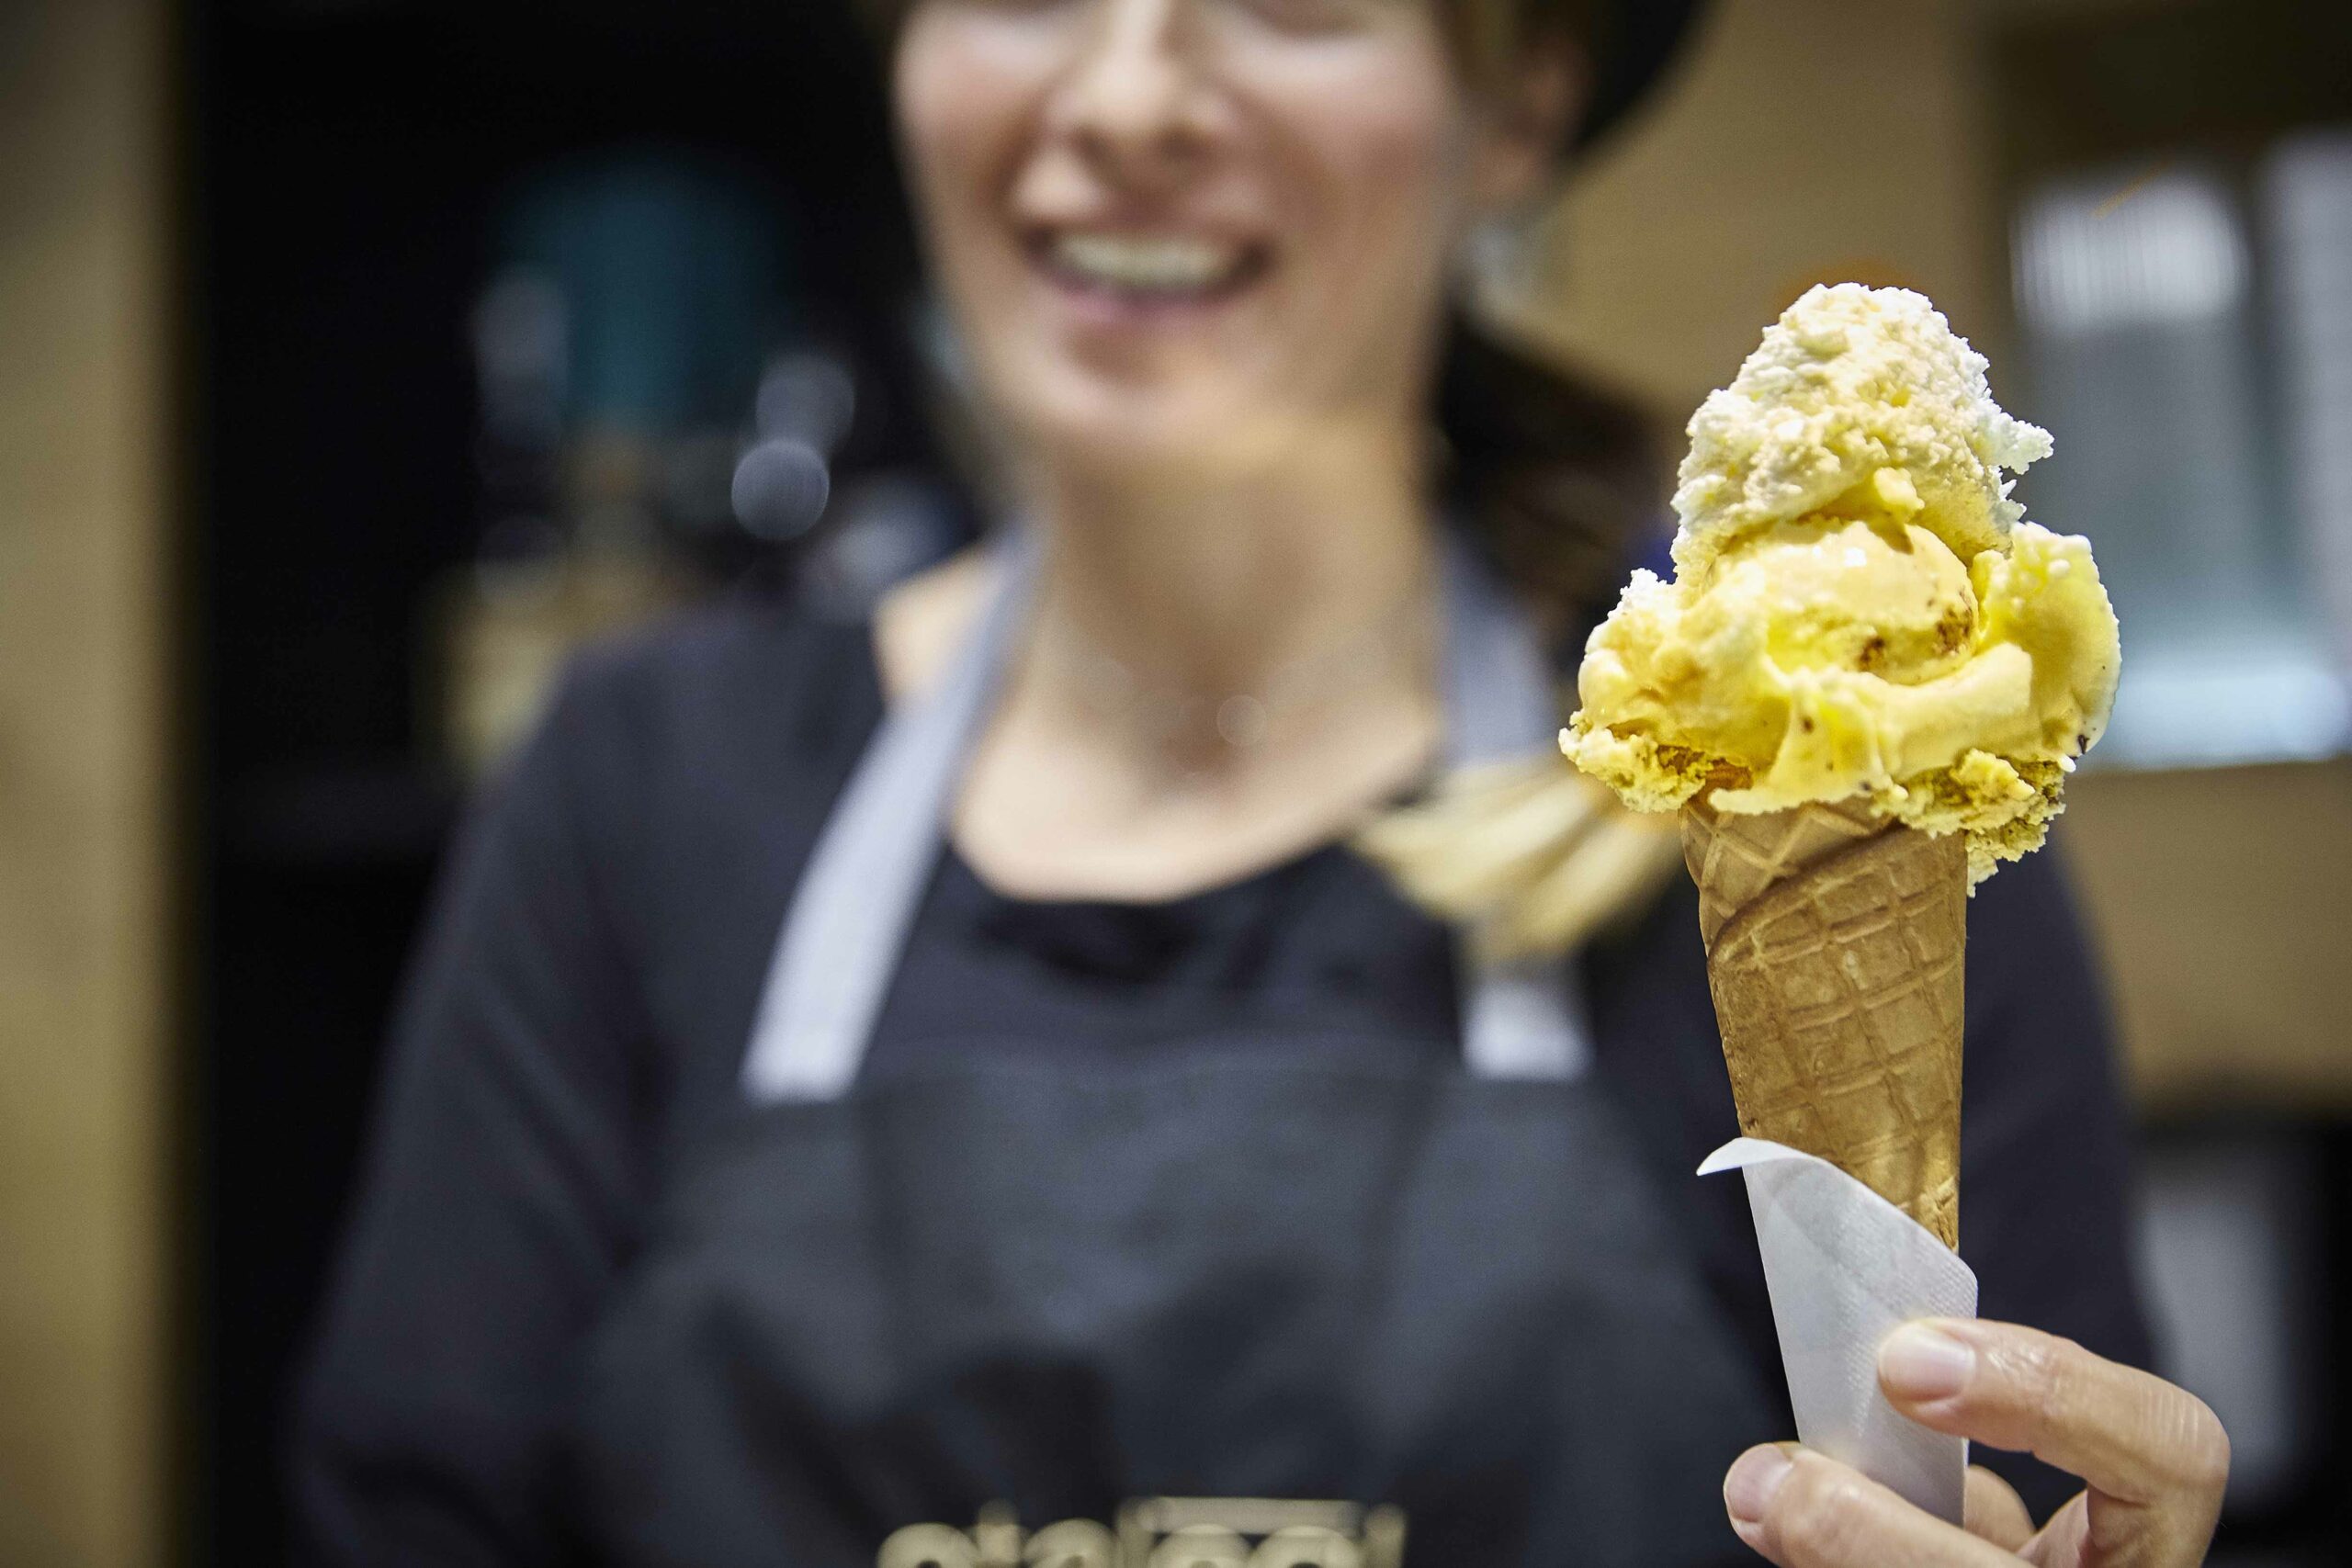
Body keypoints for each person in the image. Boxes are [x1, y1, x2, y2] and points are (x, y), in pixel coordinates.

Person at [295, 2, 2228, 1564]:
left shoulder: (1798, 783)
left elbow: (2009, 1495)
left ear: (1516, 100)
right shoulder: (638, 793)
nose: (1128, 89)